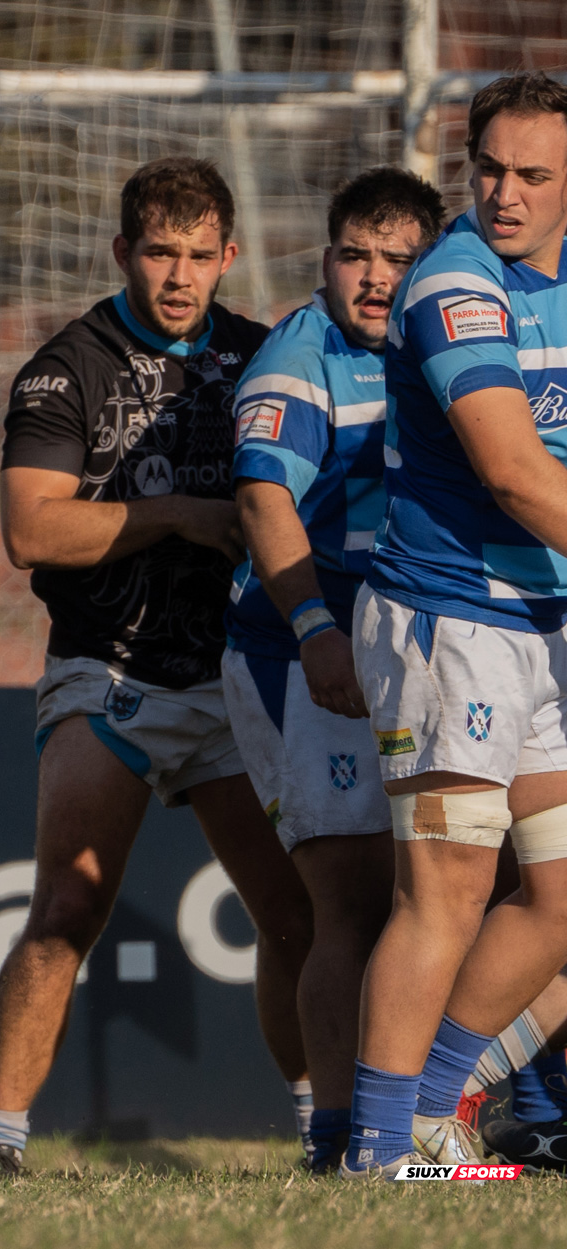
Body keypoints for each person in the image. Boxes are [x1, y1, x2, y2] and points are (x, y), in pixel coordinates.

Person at [0, 157, 313, 1176]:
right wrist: (178, 516)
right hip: (108, 674)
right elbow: (30, 531)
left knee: (296, 916)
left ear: (230, 257)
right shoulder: (66, 368)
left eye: (201, 255)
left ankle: (323, 1132)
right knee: (67, 908)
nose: (179, 274)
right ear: (123, 252)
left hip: (237, 679)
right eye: (160, 251)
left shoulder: (266, 358)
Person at [341, 72, 567, 1179]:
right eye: (488, 169)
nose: (505, 193)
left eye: (534, 174)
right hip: (448, 618)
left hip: (538, 620)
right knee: (447, 892)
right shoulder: (455, 283)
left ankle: (436, 1109)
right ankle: (377, 1152)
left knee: (566, 895)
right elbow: (516, 472)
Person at [220, 167, 446, 1172]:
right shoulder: (297, 360)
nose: (373, 279)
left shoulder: (437, 347)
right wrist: (314, 626)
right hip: (300, 656)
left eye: (397, 260)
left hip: (414, 647)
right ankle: (340, 1141)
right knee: (344, 901)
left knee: (468, 883)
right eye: (354, 254)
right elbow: (265, 502)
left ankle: (500, 1108)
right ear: (324, 259)